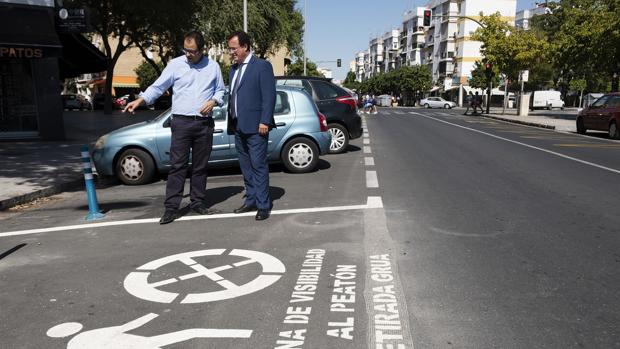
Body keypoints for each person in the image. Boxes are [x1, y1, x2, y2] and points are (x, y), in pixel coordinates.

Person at [123, 31, 225, 224]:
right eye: (185, 50)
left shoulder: (213, 67)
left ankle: (197, 202)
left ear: (202, 49)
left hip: (204, 123)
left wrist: (214, 101)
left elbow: (220, 90)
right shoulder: (175, 64)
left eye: (192, 51)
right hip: (181, 122)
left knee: (200, 166)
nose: (188, 54)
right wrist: (141, 100)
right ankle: (171, 208)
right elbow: (158, 86)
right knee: (177, 166)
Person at [227, 30, 276, 221]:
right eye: (229, 48)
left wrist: (265, 120)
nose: (231, 52)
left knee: (258, 166)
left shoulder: (262, 66)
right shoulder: (233, 70)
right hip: (238, 125)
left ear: (245, 46)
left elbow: (269, 96)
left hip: (257, 127)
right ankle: (251, 200)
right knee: (246, 167)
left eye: (234, 48)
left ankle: (263, 205)